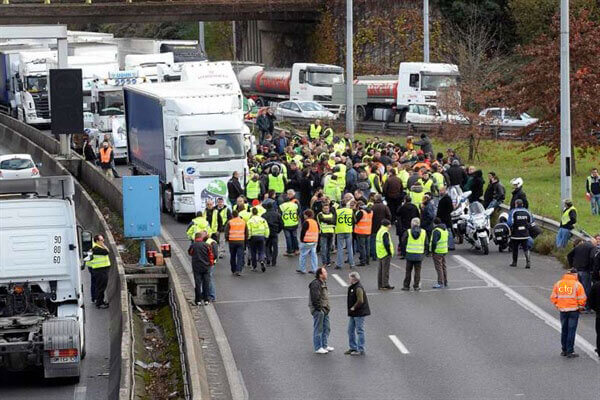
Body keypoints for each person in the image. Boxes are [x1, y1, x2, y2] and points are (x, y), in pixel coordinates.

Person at [550, 268, 587, 358]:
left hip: (563, 310)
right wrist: (580, 307)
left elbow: (553, 297)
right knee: (571, 330)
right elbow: (582, 298)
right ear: (575, 275)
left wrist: (558, 305)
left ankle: (564, 350)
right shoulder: (577, 284)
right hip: (574, 310)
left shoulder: (558, 283)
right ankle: (570, 351)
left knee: (564, 330)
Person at [567, 238, 597, 313]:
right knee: (586, 289)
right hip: (586, 271)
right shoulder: (592, 247)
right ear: (593, 243)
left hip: (576, 270)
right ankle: (586, 306)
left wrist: (572, 265)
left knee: (577, 289)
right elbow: (592, 257)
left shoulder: (579, 246)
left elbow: (569, 255)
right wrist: (592, 268)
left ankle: (576, 305)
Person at [345, 271, 370, 356]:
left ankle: (360, 349)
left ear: (353, 279)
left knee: (359, 330)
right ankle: (353, 347)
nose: (349, 280)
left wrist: (353, 307)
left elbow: (360, 300)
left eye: (350, 278)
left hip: (359, 313)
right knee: (350, 330)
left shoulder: (358, 288)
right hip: (353, 313)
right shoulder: (353, 287)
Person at [309, 267, 333, 354]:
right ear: (320, 274)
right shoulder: (315, 284)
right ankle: (318, 347)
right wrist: (320, 309)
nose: (326, 273)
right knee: (318, 329)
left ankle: (324, 345)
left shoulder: (322, 282)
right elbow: (315, 298)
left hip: (324, 309)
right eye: (325, 272)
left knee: (326, 328)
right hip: (319, 310)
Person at [401, 217, 428, 291]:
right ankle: (416, 286)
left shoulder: (408, 231)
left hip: (409, 253)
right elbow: (426, 243)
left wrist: (404, 253)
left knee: (408, 271)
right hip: (419, 254)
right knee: (417, 271)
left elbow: (403, 242)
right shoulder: (423, 232)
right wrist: (424, 252)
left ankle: (406, 286)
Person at [188, 231, 214, 305]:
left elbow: (190, 253)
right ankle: (206, 300)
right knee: (206, 283)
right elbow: (211, 255)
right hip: (206, 266)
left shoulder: (193, 245)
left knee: (198, 283)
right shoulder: (207, 245)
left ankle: (198, 300)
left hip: (196, 266)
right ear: (202, 238)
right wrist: (210, 264)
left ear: (195, 238)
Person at [87, 234, 111, 309]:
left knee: (95, 284)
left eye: (103, 239)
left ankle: (95, 299)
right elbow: (107, 251)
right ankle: (99, 303)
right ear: (97, 241)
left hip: (96, 268)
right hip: (100, 269)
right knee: (101, 287)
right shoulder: (96, 248)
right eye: (101, 240)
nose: (103, 241)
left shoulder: (93, 245)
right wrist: (103, 245)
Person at [508, 199, 533, 268]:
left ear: (516, 204)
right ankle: (528, 262)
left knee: (515, 248)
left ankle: (514, 262)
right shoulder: (527, 211)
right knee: (526, 248)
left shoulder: (513, 211)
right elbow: (531, 221)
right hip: (525, 234)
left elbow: (510, 223)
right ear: (522, 204)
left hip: (515, 234)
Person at [224, 210, 248, 276]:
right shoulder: (243, 222)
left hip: (232, 241)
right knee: (240, 256)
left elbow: (226, 232)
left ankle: (233, 270)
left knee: (233, 256)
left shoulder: (230, 222)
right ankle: (239, 270)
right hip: (241, 241)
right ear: (238, 215)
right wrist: (245, 240)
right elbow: (246, 232)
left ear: (232, 215)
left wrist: (227, 239)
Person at [247, 207, 270, 272]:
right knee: (261, 250)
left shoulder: (250, 221)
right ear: (257, 212)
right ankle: (262, 261)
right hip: (261, 236)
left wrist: (248, 238)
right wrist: (266, 236)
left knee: (253, 252)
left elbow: (249, 230)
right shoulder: (262, 219)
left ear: (252, 213)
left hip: (253, 237)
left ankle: (254, 266)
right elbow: (266, 228)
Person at [370, 194, 392, 262]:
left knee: (373, 241)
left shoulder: (372, 207)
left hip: (374, 226)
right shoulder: (385, 207)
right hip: (383, 227)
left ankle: (374, 255)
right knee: (383, 240)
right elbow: (389, 215)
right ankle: (382, 254)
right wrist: (387, 223)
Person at [335, 200, 355, 269]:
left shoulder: (337, 211)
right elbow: (354, 220)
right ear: (346, 205)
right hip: (348, 230)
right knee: (350, 248)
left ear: (340, 205)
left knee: (340, 248)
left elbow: (334, 220)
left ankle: (339, 264)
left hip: (340, 230)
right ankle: (352, 264)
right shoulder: (350, 211)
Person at [298, 209, 320, 274]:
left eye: (304, 215)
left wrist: (301, 240)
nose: (304, 216)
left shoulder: (306, 222)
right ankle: (315, 269)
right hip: (314, 241)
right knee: (313, 255)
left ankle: (303, 269)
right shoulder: (315, 222)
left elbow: (303, 232)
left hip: (306, 241)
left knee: (303, 255)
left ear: (307, 215)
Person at [375, 219, 395, 290]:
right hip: (385, 253)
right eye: (389, 224)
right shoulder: (385, 232)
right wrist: (389, 252)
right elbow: (386, 243)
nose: (390, 226)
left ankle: (380, 285)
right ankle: (385, 285)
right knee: (385, 270)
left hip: (380, 252)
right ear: (387, 225)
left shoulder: (380, 231)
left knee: (380, 270)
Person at [430, 218, 449, 288]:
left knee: (439, 267)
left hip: (437, 251)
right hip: (444, 250)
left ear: (434, 223)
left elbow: (434, 242)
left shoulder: (436, 231)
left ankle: (440, 282)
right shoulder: (445, 229)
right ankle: (445, 281)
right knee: (443, 266)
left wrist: (432, 250)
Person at [280, 189, 300, 256]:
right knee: (294, 236)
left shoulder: (282, 206)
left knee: (288, 238)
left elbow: (279, 214)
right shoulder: (294, 204)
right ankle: (296, 249)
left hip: (286, 224)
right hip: (294, 223)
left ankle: (290, 251)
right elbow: (298, 211)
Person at [263, 202, 283, 267]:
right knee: (275, 247)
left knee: (266, 246)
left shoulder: (264, 215)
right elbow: (281, 224)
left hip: (267, 233)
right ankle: (274, 261)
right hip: (274, 232)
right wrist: (278, 231)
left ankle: (268, 259)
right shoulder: (277, 215)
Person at [354, 202, 373, 266]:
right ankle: (367, 260)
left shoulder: (361, 212)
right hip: (368, 231)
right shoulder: (370, 212)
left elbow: (356, 221)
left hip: (360, 232)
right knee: (367, 247)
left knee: (362, 247)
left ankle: (363, 261)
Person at [317, 202, 335, 268]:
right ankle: (324, 262)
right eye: (325, 208)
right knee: (323, 248)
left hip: (331, 233)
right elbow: (322, 219)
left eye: (327, 208)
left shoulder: (331, 214)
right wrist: (330, 221)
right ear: (322, 209)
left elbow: (333, 221)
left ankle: (328, 261)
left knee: (329, 248)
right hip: (323, 233)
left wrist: (328, 221)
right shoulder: (320, 214)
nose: (326, 210)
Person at [588, 277, 600, 357]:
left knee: (599, 333)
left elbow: (590, 300)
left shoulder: (596, 285)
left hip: (599, 314)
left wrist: (596, 309)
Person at [205, 234, 219, 302]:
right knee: (206, 279)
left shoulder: (211, 242)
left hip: (209, 263)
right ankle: (207, 294)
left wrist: (211, 261)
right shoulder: (206, 241)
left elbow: (215, 254)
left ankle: (212, 296)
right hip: (207, 263)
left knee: (209, 279)